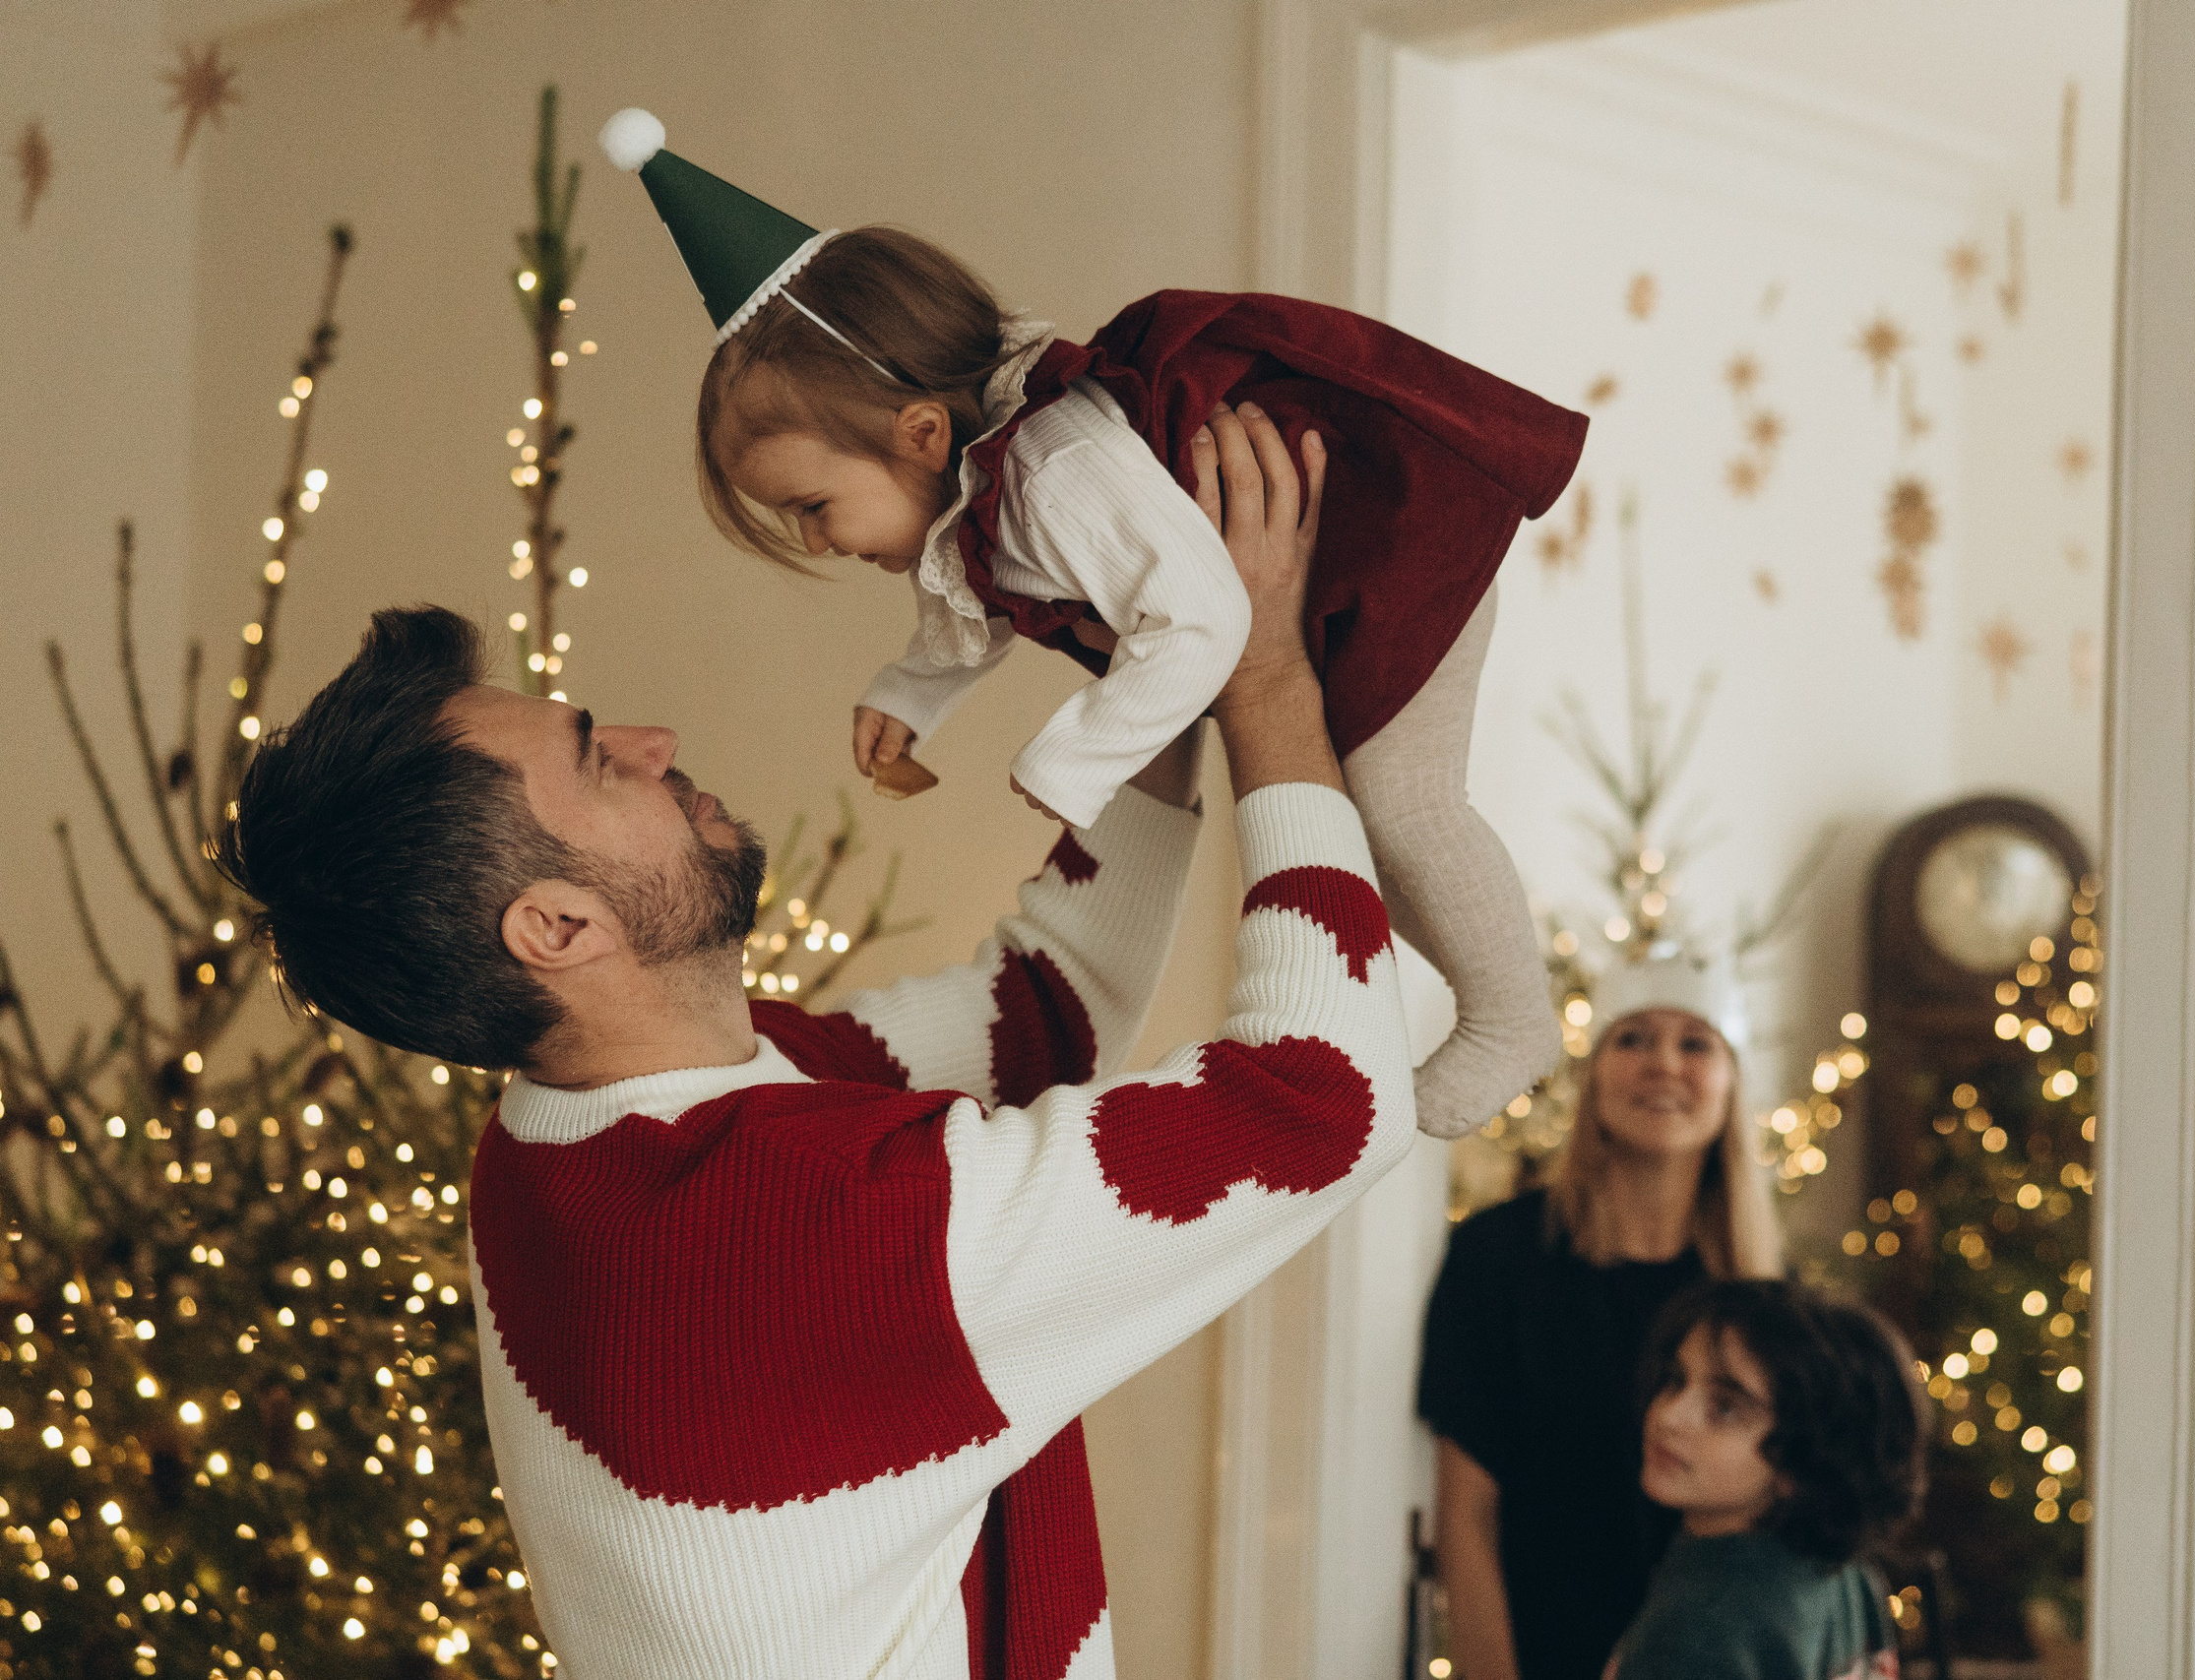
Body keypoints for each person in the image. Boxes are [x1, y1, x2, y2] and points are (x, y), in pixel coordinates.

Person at [217, 409, 1413, 1680]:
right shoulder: (811, 1232)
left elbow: (1037, 1014)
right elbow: (1327, 1096)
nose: (652, 742)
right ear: (556, 925)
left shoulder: (578, 1146)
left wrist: (1164, 666)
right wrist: (1267, 682)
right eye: (597, 761)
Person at [596, 105, 1583, 1141]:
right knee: (1377, 828)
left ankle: (1511, 1021)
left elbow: (1202, 624)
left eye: (811, 508)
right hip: (1334, 579)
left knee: (1402, 803)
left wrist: (1078, 760)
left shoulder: (1058, 476)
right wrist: (909, 696)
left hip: (1389, 546)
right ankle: (1490, 1001)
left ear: (922, 433)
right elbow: (973, 607)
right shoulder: (982, 495)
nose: (813, 543)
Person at [1418, 953, 1786, 1680]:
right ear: (1594, 1077)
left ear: (1730, 1083)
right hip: (1544, 1648)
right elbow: (1466, 1508)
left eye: (1694, 1042)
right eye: (1633, 1038)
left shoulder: (1764, 1296)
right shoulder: (1497, 1256)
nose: (1662, 1064)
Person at [1603, 1278, 1924, 1680]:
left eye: (1724, 1408)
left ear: (1804, 1461)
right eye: (1676, 1379)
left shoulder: (1696, 1633)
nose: (1669, 1416)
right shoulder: (1845, 1569)